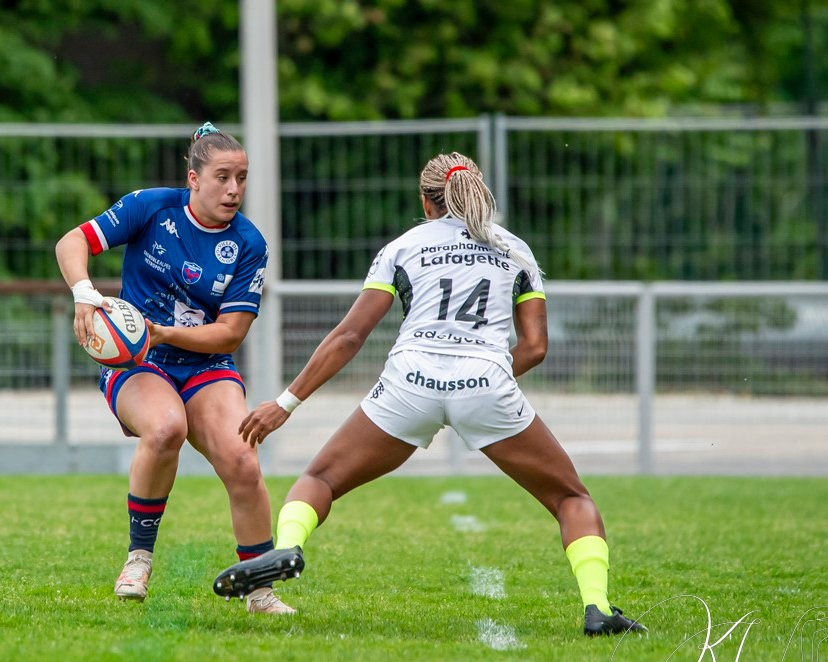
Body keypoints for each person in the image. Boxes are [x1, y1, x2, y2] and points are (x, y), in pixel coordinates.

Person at [212, 152, 646, 636]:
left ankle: (287, 547)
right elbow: (535, 347)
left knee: (321, 479)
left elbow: (349, 337)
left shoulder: (404, 246)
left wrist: (285, 403)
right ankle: (598, 609)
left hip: (409, 382)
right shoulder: (515, 250)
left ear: (425, 200)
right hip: (486, 382)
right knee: (571, 498)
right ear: (478, 191)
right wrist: (479, 389)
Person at [54, 122, 293, 614]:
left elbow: (229, 333)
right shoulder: (150, 206)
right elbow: (71, 243)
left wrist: (162, 331)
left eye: (242, 178)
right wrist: (84, 293)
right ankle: (138, 558)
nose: (234, 189)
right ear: (194, 178)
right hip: (139, 362)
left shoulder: (249, 243)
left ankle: (261, 590)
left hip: (205, 363)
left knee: (243, 459)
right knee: (165, 429)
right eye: (223, 177)